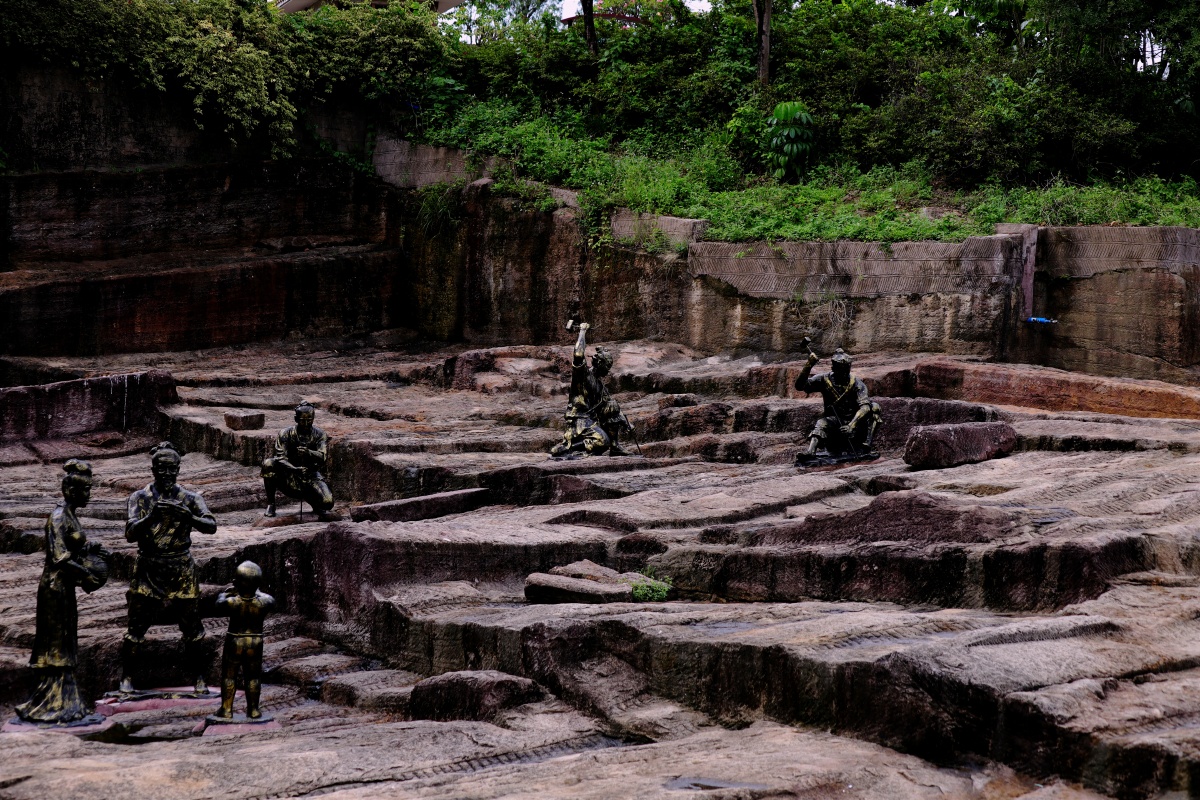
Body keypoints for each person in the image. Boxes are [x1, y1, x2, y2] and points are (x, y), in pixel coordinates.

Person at [120, 442, 217, 695]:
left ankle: (199, 676)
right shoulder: (139, 498)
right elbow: (130, 533)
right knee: (136, 625)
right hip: (149, 565)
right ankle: (127, 677)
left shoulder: (190, 498)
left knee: (192, 627)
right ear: (153, 469)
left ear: (178, 469)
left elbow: (210, 525)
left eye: (171, 469)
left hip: (180, 566)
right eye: (161, 469)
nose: (166, 474)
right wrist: (151, 516)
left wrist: (187, 516)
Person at [16, 460, 109, 724]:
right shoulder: (57, 517)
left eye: (89, 489)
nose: (88, 495)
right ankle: (52, 705)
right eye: (84, 490)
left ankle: (70, 704)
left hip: (64, 587)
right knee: (56, 644)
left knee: (66, 642)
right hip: (55, 588)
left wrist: (91, 549)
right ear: (70, 490)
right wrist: (87, 574)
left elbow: (74, 548)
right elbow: (60, 558)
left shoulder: (69, 515)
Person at [549, 323, 632, 458]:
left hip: (590, 420)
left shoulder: (600, 385)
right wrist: (582, 331)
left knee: (612, 405)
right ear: (599, 363)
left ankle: (615, 446)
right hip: (579, 420)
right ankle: (568, 447)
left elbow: (609, 404)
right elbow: (578, 354)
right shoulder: (583, 375)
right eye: (607, 367)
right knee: (602, 442)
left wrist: (626, 423)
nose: (608, 371)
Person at [212, 561, 275, 720]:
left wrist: (228, 592)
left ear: (237, 582)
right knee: (253, 676)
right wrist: (256, 590)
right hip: (255, 641)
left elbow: (218, 603)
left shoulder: (232, 601)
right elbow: (269, 600)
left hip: (235, 640)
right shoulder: (264, 602)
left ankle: (226, 709)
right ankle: (253, 710)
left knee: (229, 675)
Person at [794, 348, 882, 458]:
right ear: (833, 368)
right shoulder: (824, 379)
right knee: (822, 423)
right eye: (841, 370)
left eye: (846, 370)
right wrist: (809, 365)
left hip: (855, 422)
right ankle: (811, 451)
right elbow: (800, 386)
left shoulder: (857, 383)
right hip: (834, 421)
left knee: (875, 407)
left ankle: (865, 446)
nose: (844, 373)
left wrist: (851, 425)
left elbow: (865, 407)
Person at [262, 402, 334, 517]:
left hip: (310, 475)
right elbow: (280, 458)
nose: (306, 424)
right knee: (268, 463)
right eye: (302, 420)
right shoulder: (285, 434)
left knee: (328, 503)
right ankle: (271, 504)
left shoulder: (320, 435)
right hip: (289, 474)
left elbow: (323, 456)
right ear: (296, 419)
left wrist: (308, 452)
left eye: (309, 420)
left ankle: (314, 503)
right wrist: (294, 469)